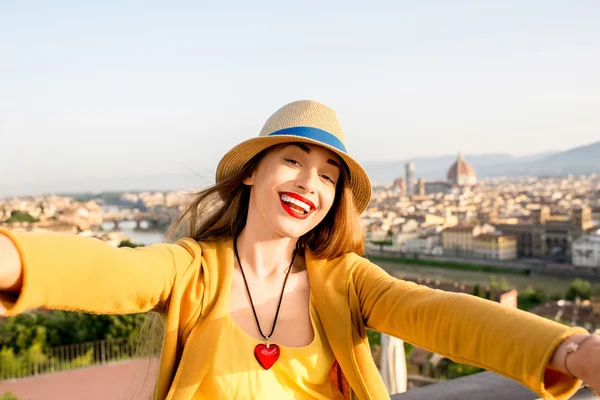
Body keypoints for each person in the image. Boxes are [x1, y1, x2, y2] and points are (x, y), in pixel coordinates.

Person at [0, 100, 598, 400]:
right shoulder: (193, 270)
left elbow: (437, 313)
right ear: (252, 174)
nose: (310, 184)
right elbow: (111, 269)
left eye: (328, 174)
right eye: (292, 160)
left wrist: (568, 350)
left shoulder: (348, 281)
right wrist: (13, 259)